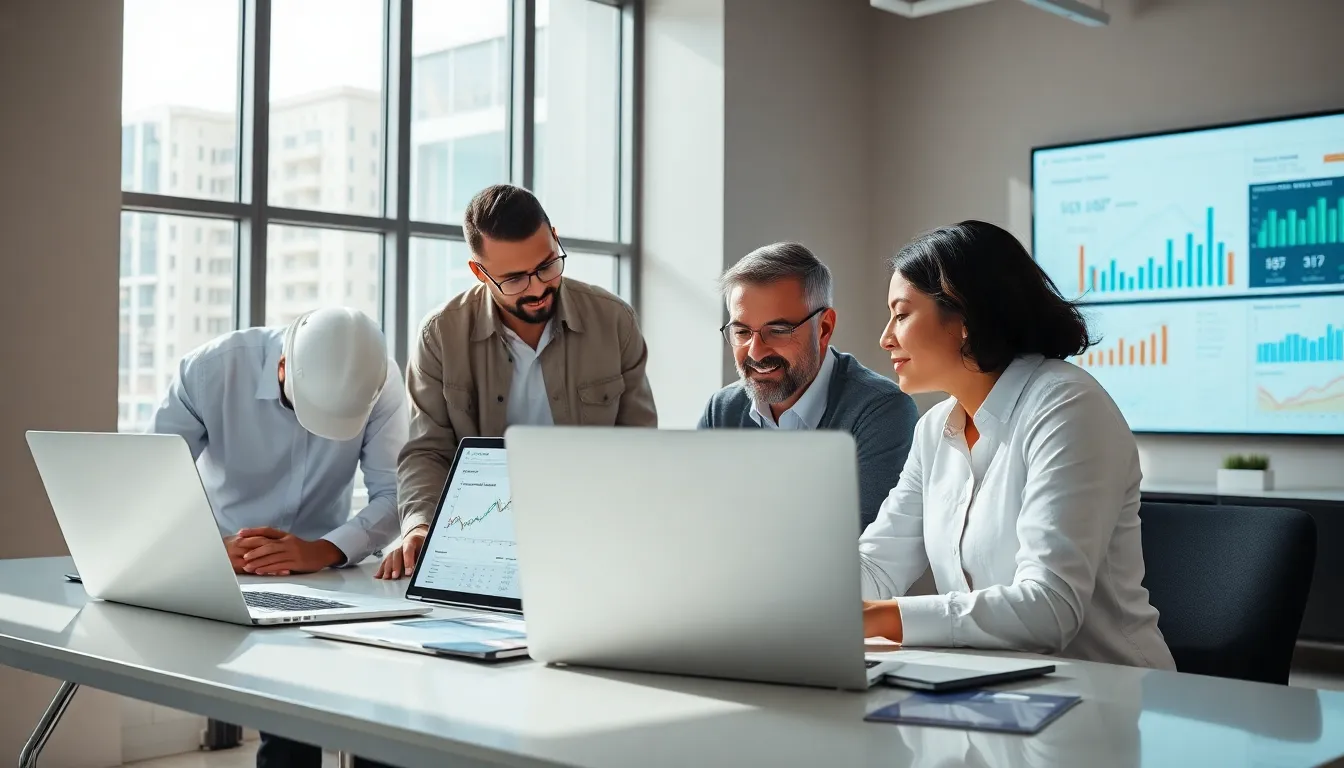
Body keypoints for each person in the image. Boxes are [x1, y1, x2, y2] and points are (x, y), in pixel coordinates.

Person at [858, 220, 1175, 670]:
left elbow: (1048, 608)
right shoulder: (934, 430)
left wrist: (880, 618)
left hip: (1105, 696)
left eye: (902, 313)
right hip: (989, 685)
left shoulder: (1067, 406)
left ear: (963, 316)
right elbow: (877, 565)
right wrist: (804, 601)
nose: (886, 337)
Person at [149, 307, 409, 767]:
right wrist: (209, 550)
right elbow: (148, 484)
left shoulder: (380, 379)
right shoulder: (210, 372)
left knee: (381, 721)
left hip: (329, 572)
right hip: (228, 572)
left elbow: (393, 496)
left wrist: (324, 550)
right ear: (282, 366)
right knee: (288, 734)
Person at [380, 184, 657, 579]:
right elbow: (427, 451)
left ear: (555, 238)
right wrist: (420, 525)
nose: (538, 288)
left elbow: (641, 448)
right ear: (479, 272)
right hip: (482, 547)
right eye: (513, 280)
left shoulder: (614, 322)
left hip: (595, 541)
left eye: (547, 265)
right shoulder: (440, 335)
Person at [698, 243, 918, 531]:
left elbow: (862, 553)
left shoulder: (882, 412)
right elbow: (696, 523)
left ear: (824, 328)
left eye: (777, 331)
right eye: (741, 332)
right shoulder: (723, 409)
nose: (755, 352)